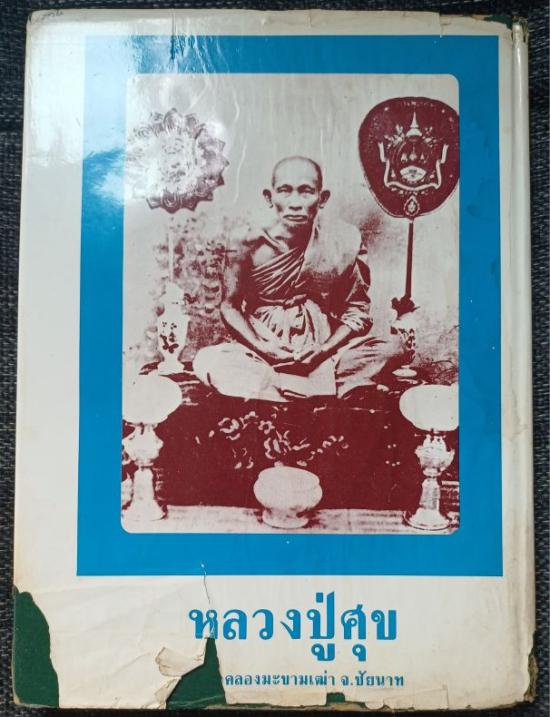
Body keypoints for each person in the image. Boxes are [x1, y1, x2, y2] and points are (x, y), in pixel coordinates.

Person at [193, 156, 401, 401]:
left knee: (393, 348)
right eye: (285, 191)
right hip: (264, 345)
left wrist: (323, 350)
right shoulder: (245, 241)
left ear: (322, 199)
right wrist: (263, 347)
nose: (295, 203)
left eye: (305, 192)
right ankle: (320, 389)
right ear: (269, 197)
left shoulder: (343, 239)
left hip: (321, 349)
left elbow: (357, 311)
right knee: (212, 361)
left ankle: (280, 390)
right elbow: (229, 306)